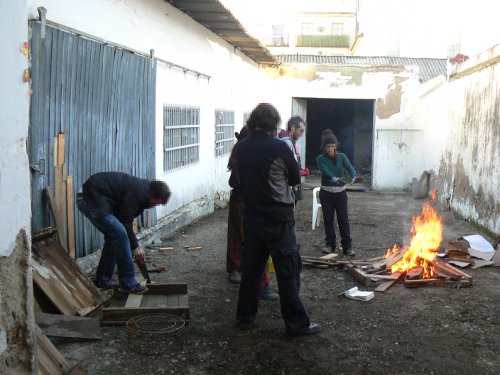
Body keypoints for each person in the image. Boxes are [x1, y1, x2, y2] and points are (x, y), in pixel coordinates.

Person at [235, 103, 321, 337]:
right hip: (277, 218)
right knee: (287, 270)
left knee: (251, 270)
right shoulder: (277, 147)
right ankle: (296, 324)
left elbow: (236, 180)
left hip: (252, 217)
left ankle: (245, 318)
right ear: (273, 124)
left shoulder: (240, 148)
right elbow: (294, 176)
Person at [77, 172, 171, 294]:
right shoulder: (139, 192)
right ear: (152, 193)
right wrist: (135, 247)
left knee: (114, 237)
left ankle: (102, 280)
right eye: (155, 202)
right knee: (119, 233)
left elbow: (126, 218)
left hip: (96, 198)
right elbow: (125, 223)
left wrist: (134, 244)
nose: (154, 206)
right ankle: (128, 283)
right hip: (88, 198)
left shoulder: (143, 192)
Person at [226, 126, 278, 301]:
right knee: (242, 236)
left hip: (243, 200)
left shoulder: (243, 151)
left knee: (240, 235)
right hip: (242, 200)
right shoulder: (243, 154)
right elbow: (234, 181)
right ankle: (238, 269)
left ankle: (240, 268)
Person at [316, 134, 357, 256]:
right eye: (328, 146)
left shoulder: (342, 156)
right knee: (328, 220)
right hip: (326, 193)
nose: (330, 149)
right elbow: (325, 171)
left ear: (335, 146)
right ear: (324, 147)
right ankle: (330, 245)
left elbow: (349, 167)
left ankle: (347, 247)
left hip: (340, 194)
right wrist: (333, 177)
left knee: (343, 219)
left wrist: (354, 176)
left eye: (332, 146)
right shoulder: (320, 158)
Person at [278, 116, 309, 203]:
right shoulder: (286, 143)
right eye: (301, 130)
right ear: (292, 128)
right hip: (285, 187)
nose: (302, 134)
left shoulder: (290, 142)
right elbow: (284, 167)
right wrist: (297, 173)